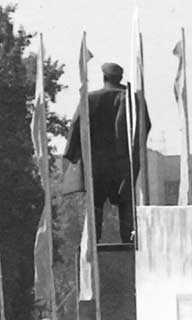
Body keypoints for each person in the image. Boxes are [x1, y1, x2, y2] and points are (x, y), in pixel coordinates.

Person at [63, 61, 151, 243]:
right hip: (122, 164)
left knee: (96, 205)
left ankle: (94, 244)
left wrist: (72, 155)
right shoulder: (132, 99)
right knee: (126, 204)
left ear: (104, 78)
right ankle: (129, 243)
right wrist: (134, 152)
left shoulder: (90, 98)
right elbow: (146, 125)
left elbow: (75, 126)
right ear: (119, 78)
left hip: (97, 165)